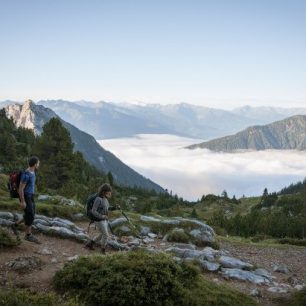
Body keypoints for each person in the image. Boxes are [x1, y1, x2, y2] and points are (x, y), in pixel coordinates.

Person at [11, 156, 41, 244]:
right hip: (26, 196)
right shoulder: (26, 175)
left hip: (31, 196)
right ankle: (28, 235)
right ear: (35, 164)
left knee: (31, 214)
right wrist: (23, 201)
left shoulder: (32, 172)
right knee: (30, 214)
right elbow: (20, 189)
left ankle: (14, 225)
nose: (39, 164)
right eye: (38, 163)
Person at [85, 183, 120, 254]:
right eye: (109, 192)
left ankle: (90, 244)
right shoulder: (98, 199)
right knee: (106, 235)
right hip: (98, 220)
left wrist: (114, 208)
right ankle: (103, 250)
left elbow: (106, 208)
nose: (110, 194)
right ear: (104, 192)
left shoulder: (105, 199)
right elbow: (93, 211)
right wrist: (102, 216)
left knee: (102, 234)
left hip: (103, 220)